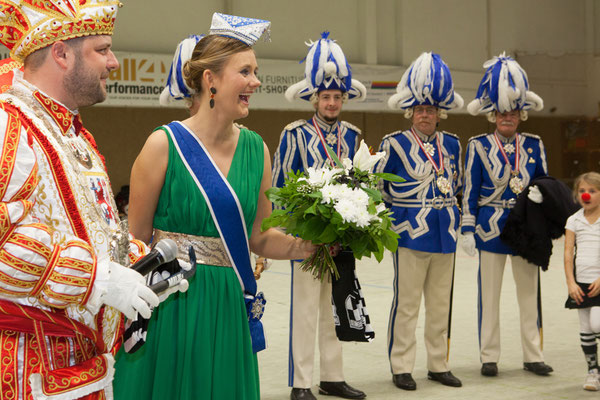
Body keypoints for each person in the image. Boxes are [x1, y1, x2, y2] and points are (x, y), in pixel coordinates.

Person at [113, 13, 315, 400]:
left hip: (228, 302)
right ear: (211, 81)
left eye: (255, 71)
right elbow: (134, 242)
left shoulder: (258, 150)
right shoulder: (162, 145)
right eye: (245, 72)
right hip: (172, 301)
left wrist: (306, 246)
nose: (255, 82)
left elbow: (259, 236)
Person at [0, 0, 160, 398]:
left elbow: (91, 231)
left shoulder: (72, 132)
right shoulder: (10, 124)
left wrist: (141, 262)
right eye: (102, 49)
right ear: (61, 54)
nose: (114, 61)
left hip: (81, 366)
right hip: (27, 370)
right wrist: (99, 280)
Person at [273, 32, 367, 400]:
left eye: (337, 97)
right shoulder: (294, 134)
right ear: (314, 98)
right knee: (307, 309)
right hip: (307, 236)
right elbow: (281, 186)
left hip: (342, 237)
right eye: (325, 97)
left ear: (344, 98)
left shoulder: (354, 134)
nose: (331, 102)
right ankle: (301, 382)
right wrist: (289, 234)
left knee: (338, 305)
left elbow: (363, 185)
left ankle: (333, 377)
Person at [374, 52, 464, 391]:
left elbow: (455, 185)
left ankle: (439, 364)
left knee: (441, 305)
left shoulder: (453, 144)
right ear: (410, 112)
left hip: (446, 234)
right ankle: (401, 366)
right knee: (408, 305)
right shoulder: (393, 144)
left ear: (440, 113)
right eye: (420, 110)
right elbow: (380, 190)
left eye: (431, 110)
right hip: (410, 234)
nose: (425, 116)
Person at [462, 52, 553, 377]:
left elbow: (545, 180)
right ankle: (489, 356)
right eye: (501, 112)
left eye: (513, 112)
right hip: (489, 230)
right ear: (492, 114)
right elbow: (470, 190)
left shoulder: (534, 144)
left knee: (530, 297)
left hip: (526, 228)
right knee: (489, 297)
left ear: (521, 114)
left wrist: (543, 194)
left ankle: (533, 354)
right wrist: (467, 229)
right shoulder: (478, 146)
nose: (507, 117)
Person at [564, 172, 600, 391]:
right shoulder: (573, 220)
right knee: (586, 329)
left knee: (597, 323)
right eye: (582, 191)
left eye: (593, 191)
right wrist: (571, 282)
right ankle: (592, 372)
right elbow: (568, 253)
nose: (586, 195)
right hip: (581, 283)